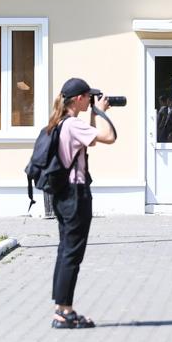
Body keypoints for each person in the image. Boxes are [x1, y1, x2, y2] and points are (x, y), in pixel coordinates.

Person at [48, 77, 115, 329]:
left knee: (65, 250)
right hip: (75, 195)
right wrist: (102, 111)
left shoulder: (61, 122)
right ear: (78, 99)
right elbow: (109, 137)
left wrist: (95, 114)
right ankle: (63, 312)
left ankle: (62, 308)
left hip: (63, 194)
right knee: (72, 254)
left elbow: (92, 140)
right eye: (89, 97)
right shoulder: (73, 124)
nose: (91, 100)